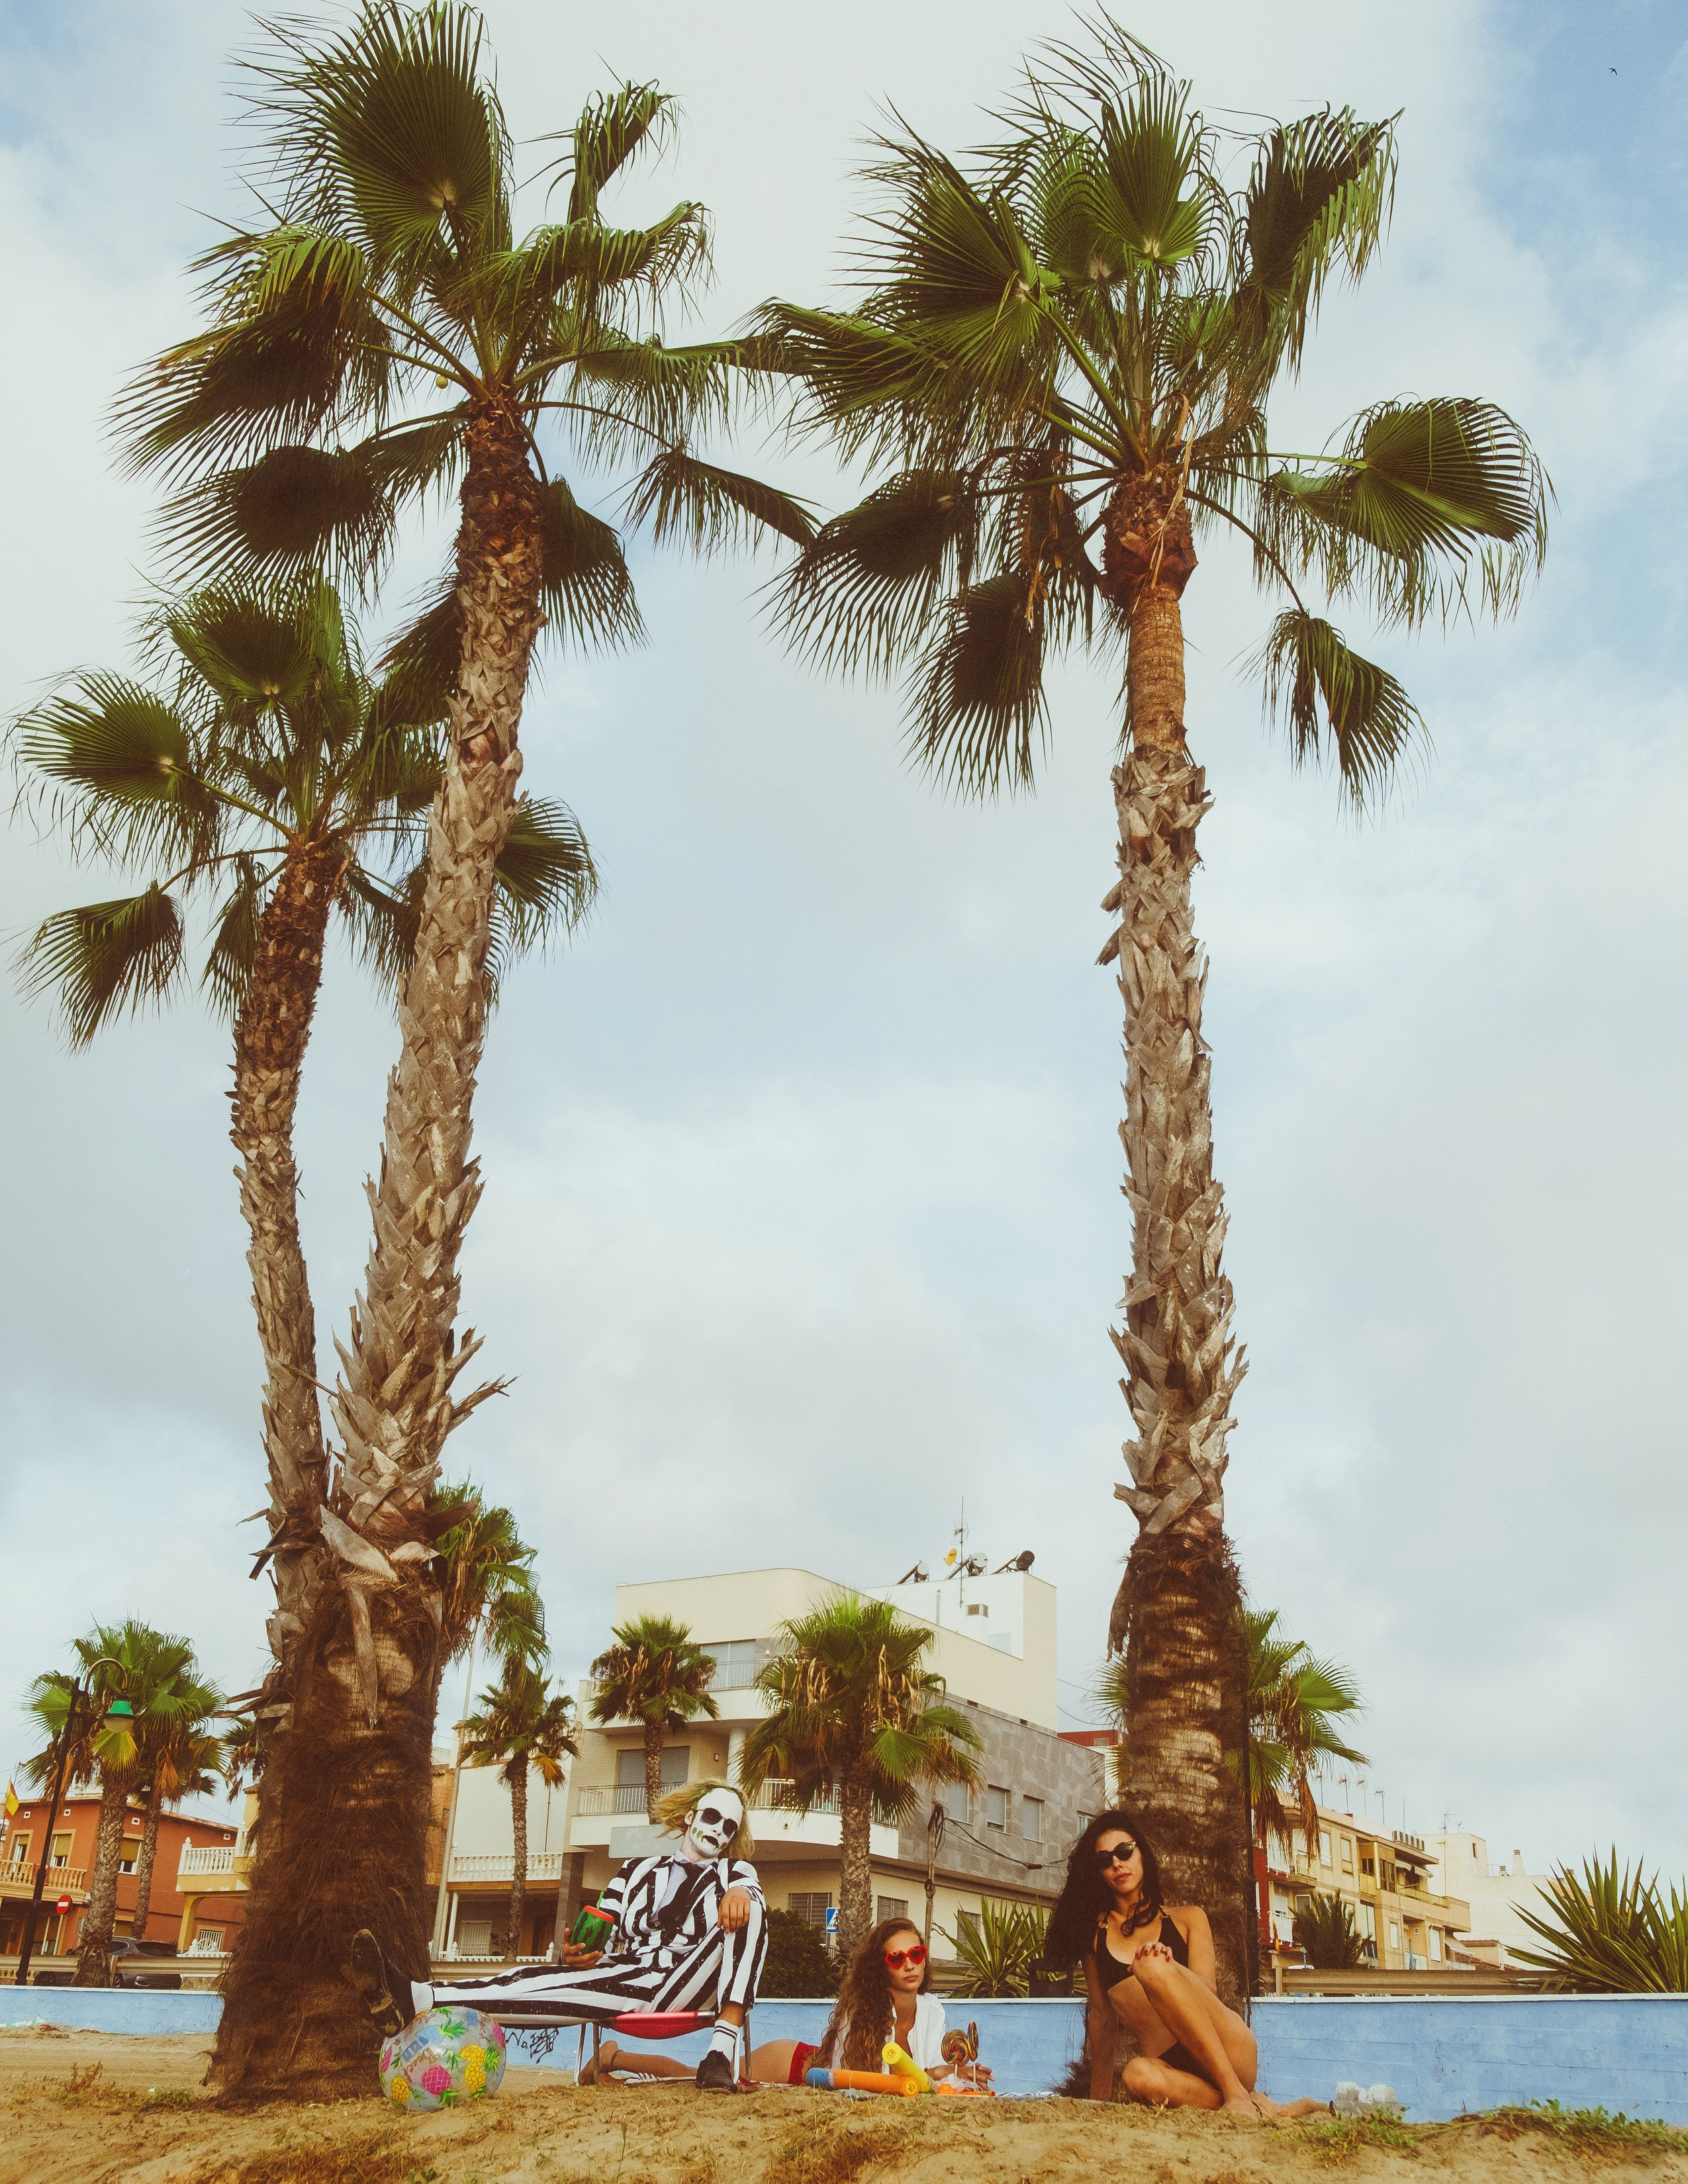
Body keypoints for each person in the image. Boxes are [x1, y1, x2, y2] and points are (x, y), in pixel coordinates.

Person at [348, 1779, 766, 2092]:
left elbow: (749, 1892)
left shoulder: (735, 1872)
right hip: (629, 1976)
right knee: (535, 1978)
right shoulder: (635, 1870)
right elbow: (602, 1925)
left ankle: (720, 2054)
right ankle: (418, 1997)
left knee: (752, 1910)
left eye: (729, 1826)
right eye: (712, 1817)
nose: (718, 1830)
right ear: (691, 1816)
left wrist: (737, 1892)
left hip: (690, 1978)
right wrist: (576, 1952)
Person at [1045, 1807, 1323, 2119]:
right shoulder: (1095, 1935)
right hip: (1171, 2067)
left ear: (1142, 1855)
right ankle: (1257, 2105)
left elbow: (1208, 1992)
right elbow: (1102, 2018)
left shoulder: (1189, 1918)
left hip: (1228, 2049)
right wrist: (1098, 2103)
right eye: (1104, 1860)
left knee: (1150, 1964)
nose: (1117, 1864)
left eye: (1124, 1852)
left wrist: (1169, 1967)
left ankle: (1235, 2092)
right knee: (1136, 2075)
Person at [585, 1915, 990, 2090]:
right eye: (896, 1958)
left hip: (824, 2065)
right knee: (699, 2077)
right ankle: (613, 2056)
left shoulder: (933, 2010)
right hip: (796, 2064)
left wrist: (952, 2074)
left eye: (915, 1954)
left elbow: (921, 2080)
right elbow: (856, 2080)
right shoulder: (862, 2010)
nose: (909, 1966)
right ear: (880, 1966)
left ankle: (615, 2059)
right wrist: (932, 2074)